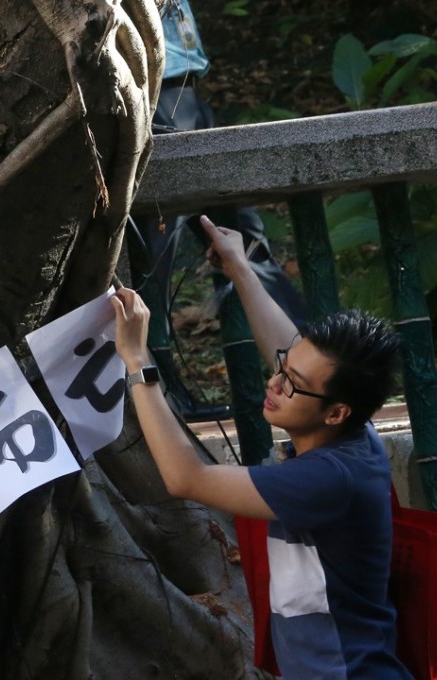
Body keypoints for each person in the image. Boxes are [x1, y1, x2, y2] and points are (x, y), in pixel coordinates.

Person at [111, 215, 411, 678]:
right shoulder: (350, 433)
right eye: (283, 368)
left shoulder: (327, 479)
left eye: (291, 384)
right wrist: (241, 269)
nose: (274, 382)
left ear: (336, 412)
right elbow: (288, 350)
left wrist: (137, 361)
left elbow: (185, 477)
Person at [133, 0, 307, 421]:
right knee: (151, 264)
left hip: (186, 90)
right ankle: (162, 400)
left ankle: (310, 371)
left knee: (243, 240)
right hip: (147, 91)